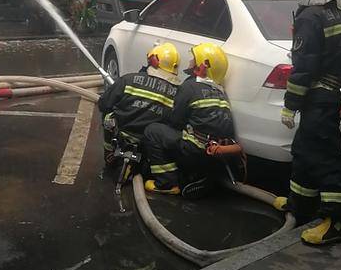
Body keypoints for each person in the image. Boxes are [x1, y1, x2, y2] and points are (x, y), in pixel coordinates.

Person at [274, 0, 341, 247]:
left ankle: (335, 221)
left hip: (317, 97)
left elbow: (305, 65)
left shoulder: (309, 17)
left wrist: (290, 104)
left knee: (324, 157)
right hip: (331, 93)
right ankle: (300, 205)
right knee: (304, 150)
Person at [142, 42, 241, 195]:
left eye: (194, 59)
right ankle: (198, 177)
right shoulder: (222, 94)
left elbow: (176, 121)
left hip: (197, 153)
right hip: (219, 157)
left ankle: (167, 183)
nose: (191, 61)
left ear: (203, 66)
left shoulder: (189, 87)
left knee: (153, 131)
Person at [97, 43, 180, 167]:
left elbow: (103, 104)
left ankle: (109, 154)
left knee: (108, 116)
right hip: (151, 142)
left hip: (122, 134)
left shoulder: (128, 80)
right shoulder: (177, 93)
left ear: (152, 61)